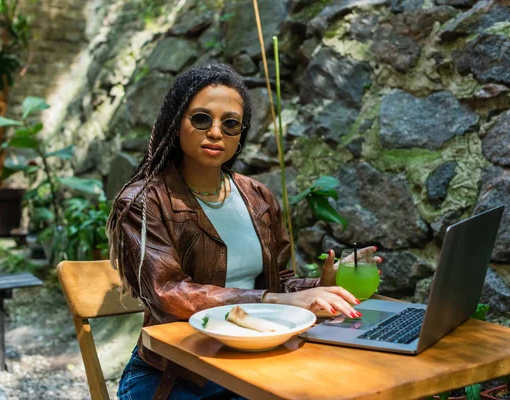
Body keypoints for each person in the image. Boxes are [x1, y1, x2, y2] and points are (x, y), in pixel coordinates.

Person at [106, 63, 380, 400]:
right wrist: (274, 299)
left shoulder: (257, 197)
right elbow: (169, 294)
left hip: (255, 363)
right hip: (179, 375)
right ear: (177, 123)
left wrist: (320, 286)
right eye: (201, 119)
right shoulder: (143, 202)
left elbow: (279, 283)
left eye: (230, 123)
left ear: (241, 135)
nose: (216, 132)